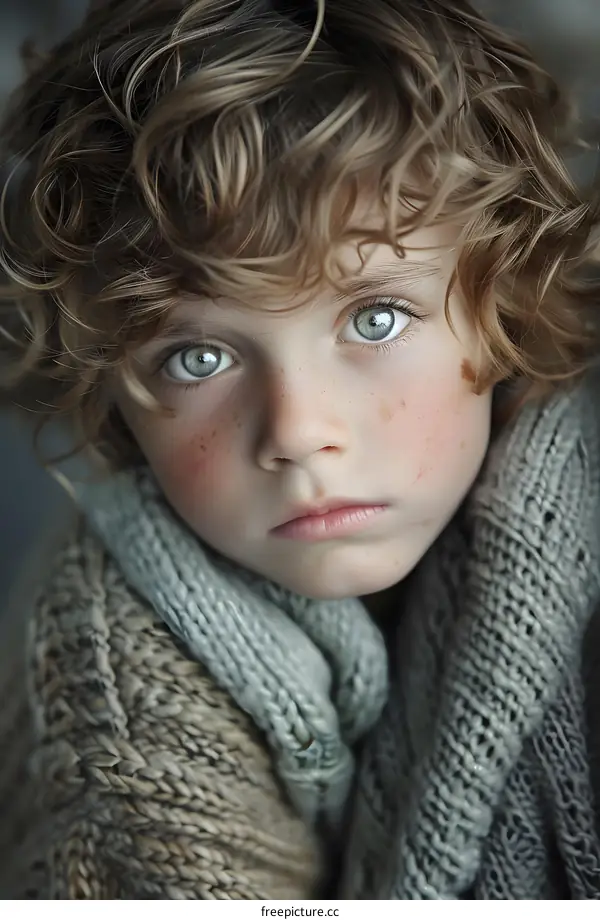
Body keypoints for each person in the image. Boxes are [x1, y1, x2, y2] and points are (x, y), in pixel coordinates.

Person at [1, 0, 600, 900]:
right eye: (197, 357)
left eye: (375, 317)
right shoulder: (121, 741)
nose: (295, 430)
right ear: (117, 397)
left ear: (502, 302)